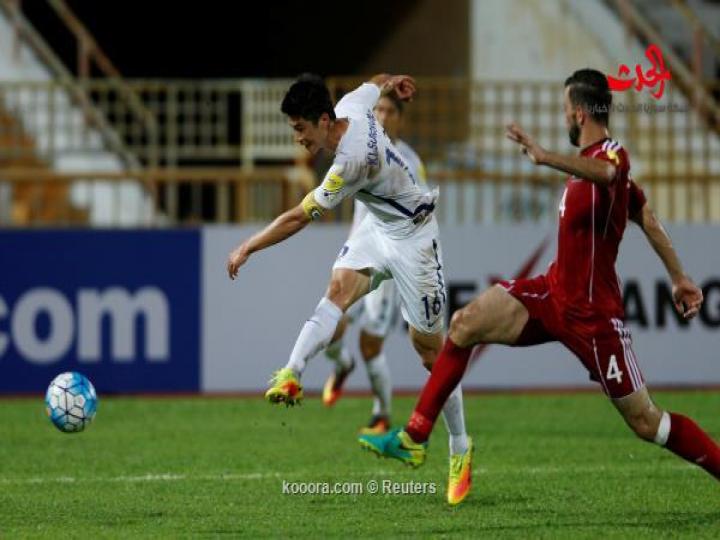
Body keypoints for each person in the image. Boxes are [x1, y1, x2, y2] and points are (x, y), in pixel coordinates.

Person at [359, 68, 720, 485]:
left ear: (581, 114)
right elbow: (646, 216)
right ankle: (415, 435)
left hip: (593, 316)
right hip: (551, 293)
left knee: (647, 423)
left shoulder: (611, 157)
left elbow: (611, 178)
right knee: (463, 323)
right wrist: (679, 277)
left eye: (566, 110)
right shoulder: (585, 166)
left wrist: (545, 156)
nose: (564, 117)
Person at [227, 74, 473, 505]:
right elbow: (373, 83)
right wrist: (393, 80)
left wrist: (249, 245)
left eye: (301, 128)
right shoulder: (353, 105)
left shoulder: (350, 162)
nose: (298, 138)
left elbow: (299, 218)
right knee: (337, 289)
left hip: (414, 239)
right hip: (379, 228)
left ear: (324, 120)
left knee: (430, 351)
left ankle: (460, 449)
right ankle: (292, 373)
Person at [322, 92, 430, 436]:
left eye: (389, 111)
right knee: (330, 329)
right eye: (378, 109)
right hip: (355, 256)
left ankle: (382, 412)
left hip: (385, 267)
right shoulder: (361, 145)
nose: (381, 115)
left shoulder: (410, 161)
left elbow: (421, 213)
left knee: (371, 345)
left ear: (400, 118)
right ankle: (342, 365)